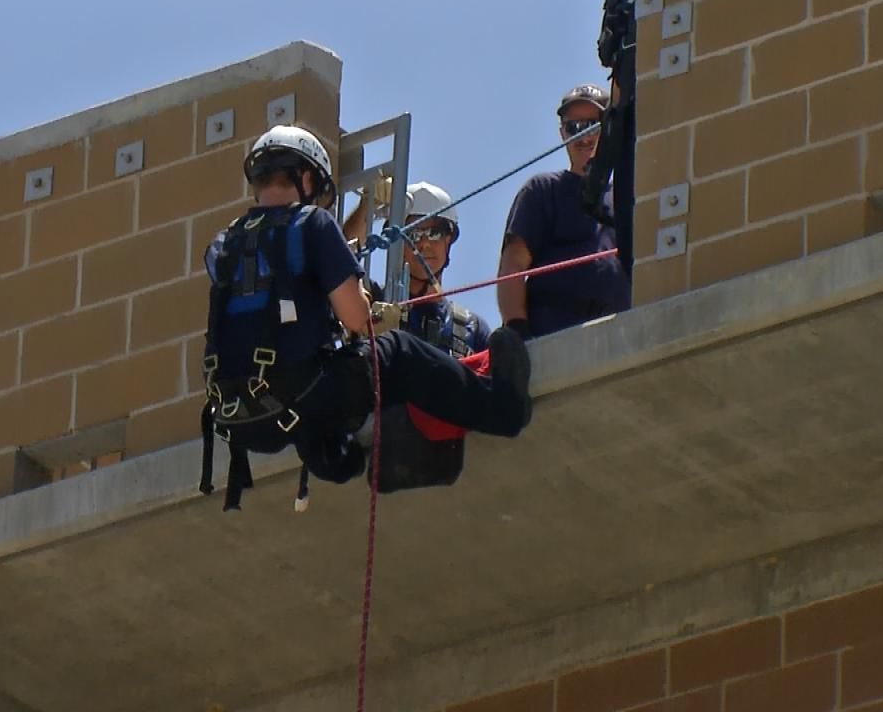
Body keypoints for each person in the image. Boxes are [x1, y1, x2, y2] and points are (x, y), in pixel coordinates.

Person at [200, 124, 532, 509]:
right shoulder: (311, 223)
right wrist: (375, 316)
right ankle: (504, 408)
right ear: (306, 177)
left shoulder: (226, 244)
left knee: (315, 377)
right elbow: (357, 318)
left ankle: (330, 453)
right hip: (299, 397)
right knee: (398, 352)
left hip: (240, 416)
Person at [497, 84, 632, 340]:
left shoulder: (627, 196)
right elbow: (513, 266)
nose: (585, 137)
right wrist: (517, 331)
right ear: (562, 133)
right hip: (555, 340)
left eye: (593, 125)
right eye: (575, 128)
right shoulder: (542, 190)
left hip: (620, 336)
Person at [343, 180, 491, 358]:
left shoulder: (472, 329)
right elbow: (340, 260)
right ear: (394, 240)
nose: (424, 244)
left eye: (434, 233)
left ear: (448, 241)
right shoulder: (371, 301)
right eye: (413, 235)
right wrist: (367, 207)